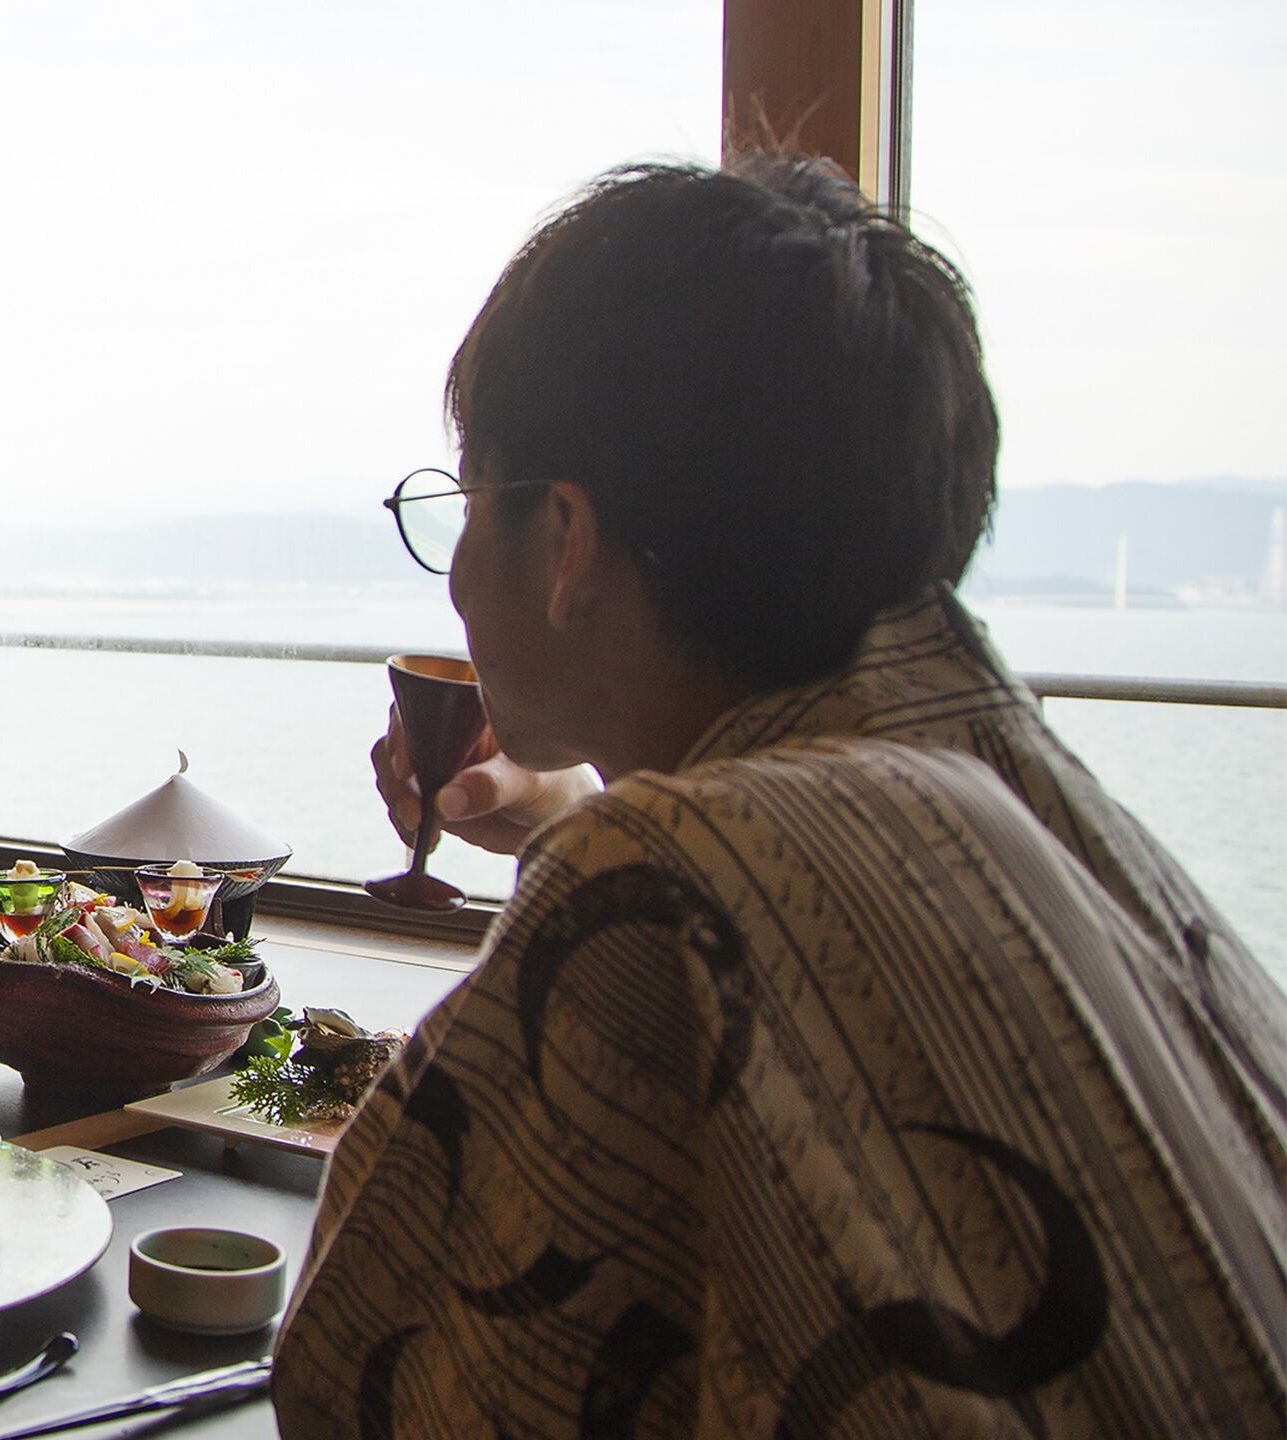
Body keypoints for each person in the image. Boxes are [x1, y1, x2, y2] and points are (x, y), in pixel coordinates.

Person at [275, 156, 1287, 1436]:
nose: (457, 574)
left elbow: (360, 1381)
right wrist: (575, 823)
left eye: (465, 504)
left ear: (568, 538)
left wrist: (607, 853)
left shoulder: (651, 883)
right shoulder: (1015, 780)